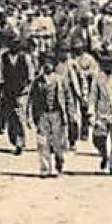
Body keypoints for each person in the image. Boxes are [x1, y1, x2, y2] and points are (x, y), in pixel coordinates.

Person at [30, 50, 73, 178]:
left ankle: (59, 161)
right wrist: (29, 115)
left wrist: (70, 113)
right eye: (45, 63)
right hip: (42, 114)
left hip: (57, 114)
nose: (47, 65)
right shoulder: (38, 81)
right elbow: (31, 99)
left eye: (50, 63)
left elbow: (68, 97)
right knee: (42, 142)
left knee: (58, 142)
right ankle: (45, 169)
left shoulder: (60, 80)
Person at [0, 36, 36, 155]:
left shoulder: (25, 58)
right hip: (8, 92)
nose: (14, 46)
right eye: (12, 44)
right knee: (11, 117)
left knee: (19, 117)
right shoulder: (3, 58)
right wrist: (0, 89)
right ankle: (14, 139)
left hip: (21, 92)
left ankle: (20, 142)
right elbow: (0, 75)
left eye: (17, 44)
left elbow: (31, 75)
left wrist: (27, 89)